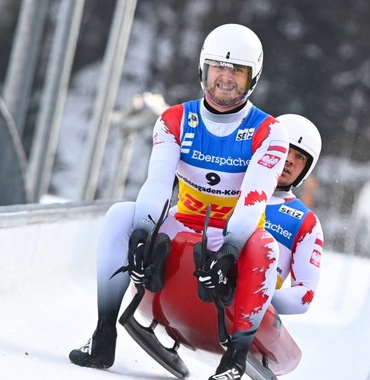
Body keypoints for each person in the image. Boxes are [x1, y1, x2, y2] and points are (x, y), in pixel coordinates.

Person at [69, 23, 288, 380]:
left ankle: (234, 358)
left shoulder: (270, 132)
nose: (226, 78)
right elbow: (158, 183)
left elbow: (255, 198)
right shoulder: (174, 120)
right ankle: (103, 334)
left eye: (237, 71)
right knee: (121, 215)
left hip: (236, 232)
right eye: (218, 67)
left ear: (253, 78)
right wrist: (142, 232)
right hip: (183, 222)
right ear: (203, 70)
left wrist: (231, 248)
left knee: (265, 247)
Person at [266, 114, 324, 315]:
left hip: (245, 308)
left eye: (299, 156)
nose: (289, 160)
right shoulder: (229, 185)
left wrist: (253, 297)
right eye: (285, 149)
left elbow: (304, 295)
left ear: (306, 169)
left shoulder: (306, 223)